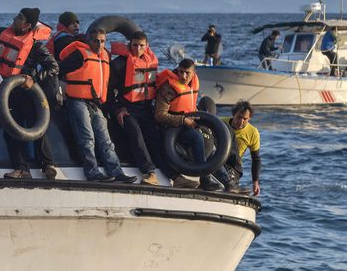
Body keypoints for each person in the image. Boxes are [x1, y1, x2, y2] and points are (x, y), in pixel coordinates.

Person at [0, 0, 60, 179]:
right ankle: (21, 168)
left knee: (38, 128)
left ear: (27, 25)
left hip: (31, 93)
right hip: (11, 92)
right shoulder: (5, 33)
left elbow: (53, 67)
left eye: (19, 17)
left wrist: (33, 78)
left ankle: (48, 165)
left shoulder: (36, 46)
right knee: (12, 130)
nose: (14, 19)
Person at [58, 25, 138, 183]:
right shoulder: (79, 55)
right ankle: (92, 172)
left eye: (102, 42)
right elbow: (59, 70)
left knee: (105, 139)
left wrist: (110, 106)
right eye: (96, 41)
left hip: (96, 104)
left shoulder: (105, 57)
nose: (99, 45)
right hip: (78, 101)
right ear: (88, 40)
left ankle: (116, 171)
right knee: (87, 138)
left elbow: (106, 84)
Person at [154, 59, 223, 191]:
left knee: (206, 138)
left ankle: (223, 178)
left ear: (194, 73)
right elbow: (159, 115)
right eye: (181, 72)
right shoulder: (168, 88)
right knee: (196, 137)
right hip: (170, 127)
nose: (183, 76)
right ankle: (205, 178)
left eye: (187, 73)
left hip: (188, 122)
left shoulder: (193, 83)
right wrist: (182, 120)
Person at [107, 34, 165, 185]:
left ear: (147, 46)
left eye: (141, 45)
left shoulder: (150, 61)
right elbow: (109, 92)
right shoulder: (119, 64)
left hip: (146, 108)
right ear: (129, 45)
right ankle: (149, 172)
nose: (138, 49)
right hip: (127, 108)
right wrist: (117, 110)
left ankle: (173, 174)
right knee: (135, 132)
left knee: (155, 137)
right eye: (134, 45)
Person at [220, 101, 261, 195]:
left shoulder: (253, 132)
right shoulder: (221, 123)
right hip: (218, 160)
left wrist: (255, 182)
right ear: (234, 114)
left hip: (233, 167)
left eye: (245, 119)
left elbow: (256, 159)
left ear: (249, 118)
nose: (241, 121)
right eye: (239, 117)